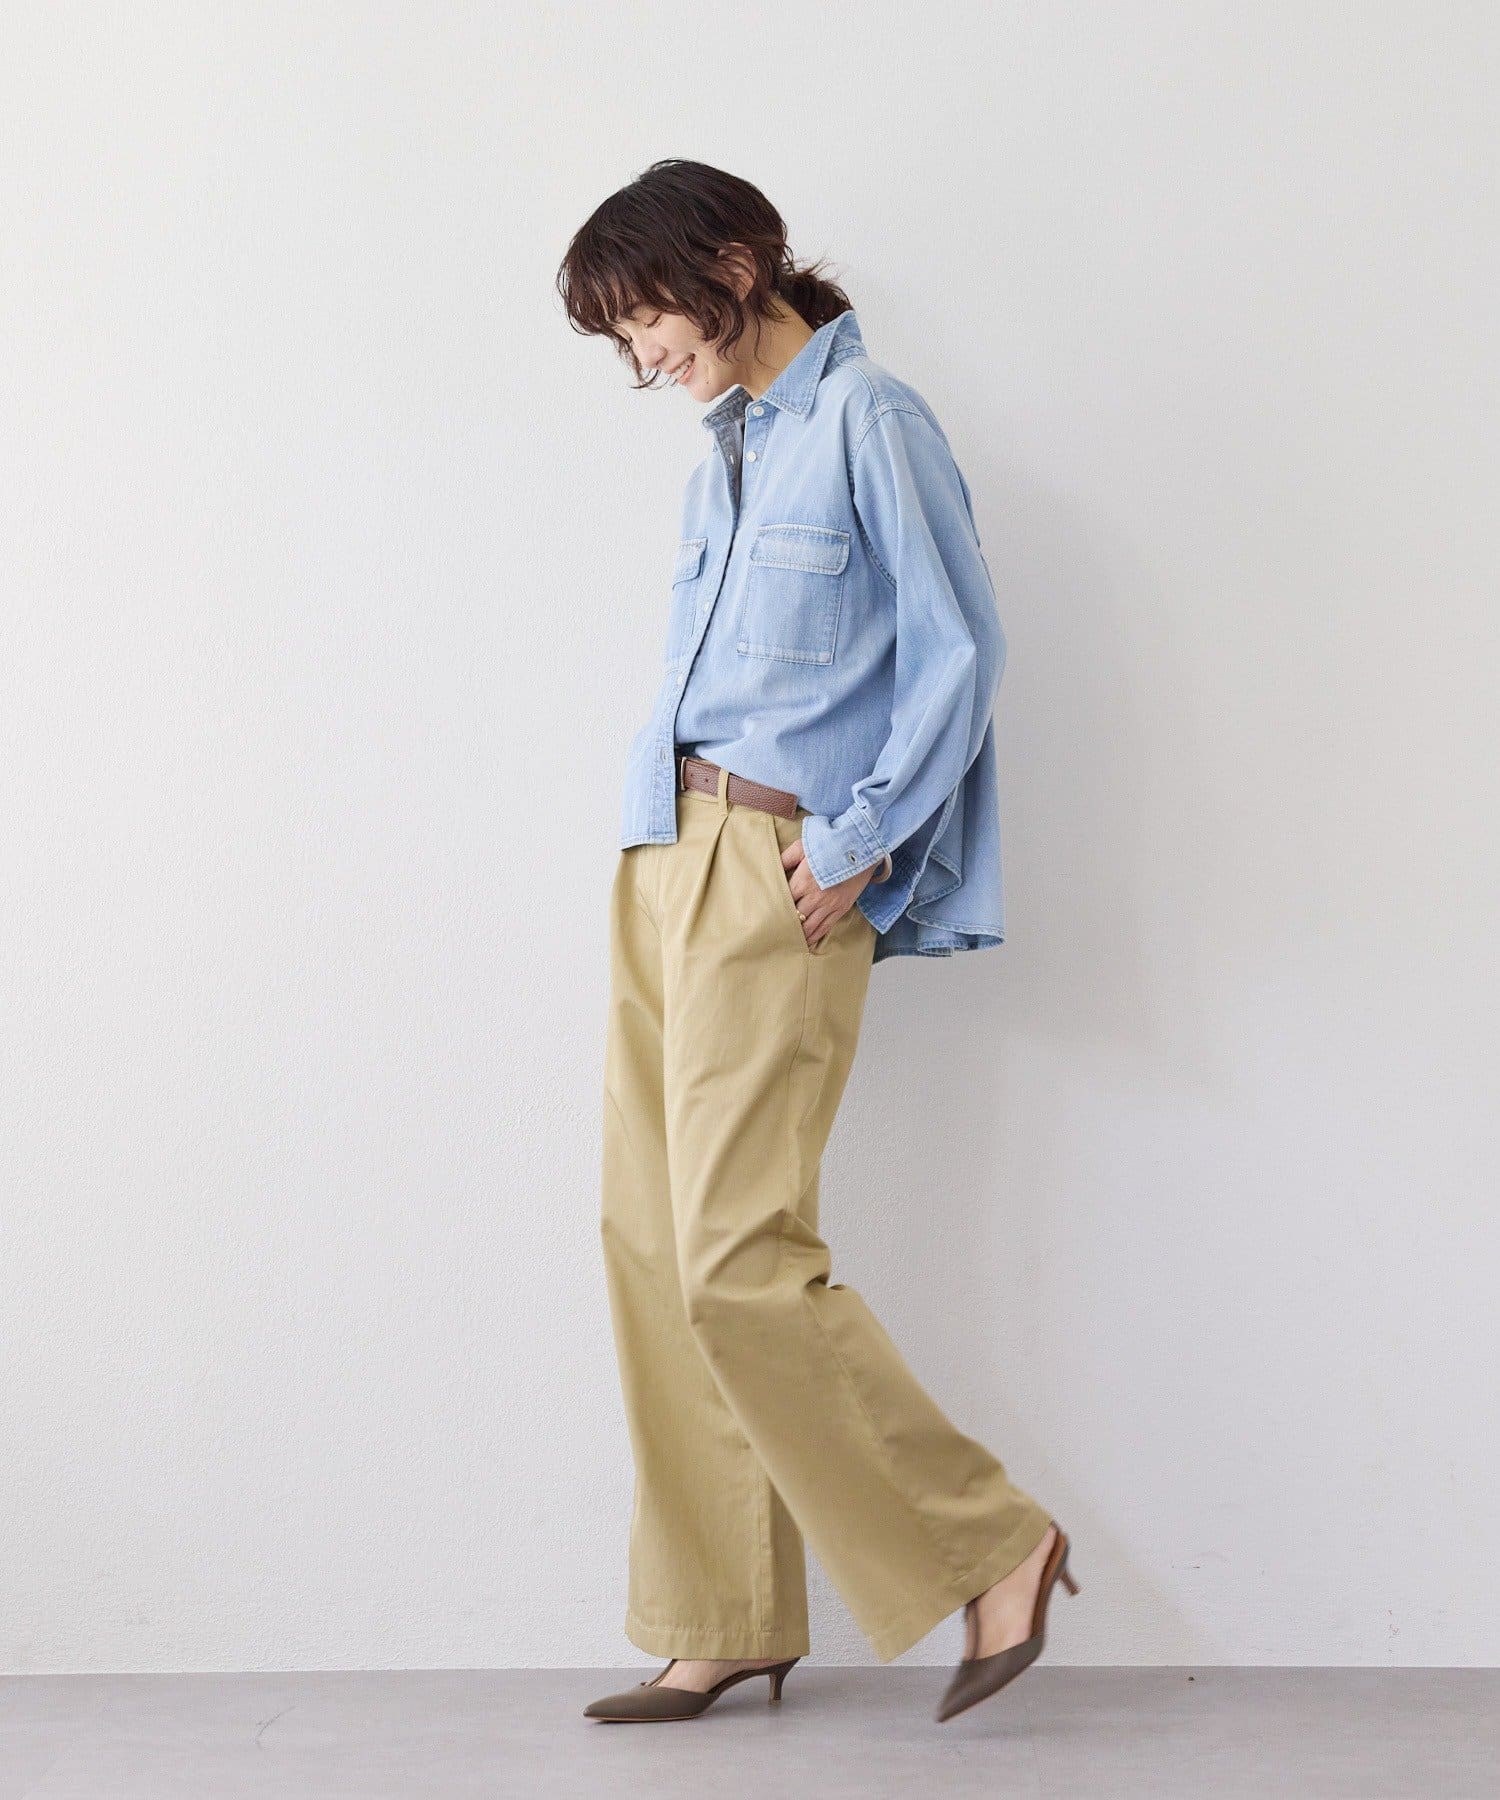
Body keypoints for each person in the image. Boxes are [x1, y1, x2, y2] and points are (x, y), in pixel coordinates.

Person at [555, 159, 1079, 1725]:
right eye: (621, 338)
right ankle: (722, 1615)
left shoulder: (873, 420)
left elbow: (959, 655)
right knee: (653, 1251)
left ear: (732, 265)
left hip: (776, 872)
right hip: (663, 857)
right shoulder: (724, 455)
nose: (642, 356)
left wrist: (855, 848)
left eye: (643, 317)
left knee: (738, 1260)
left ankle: (991, 1543)